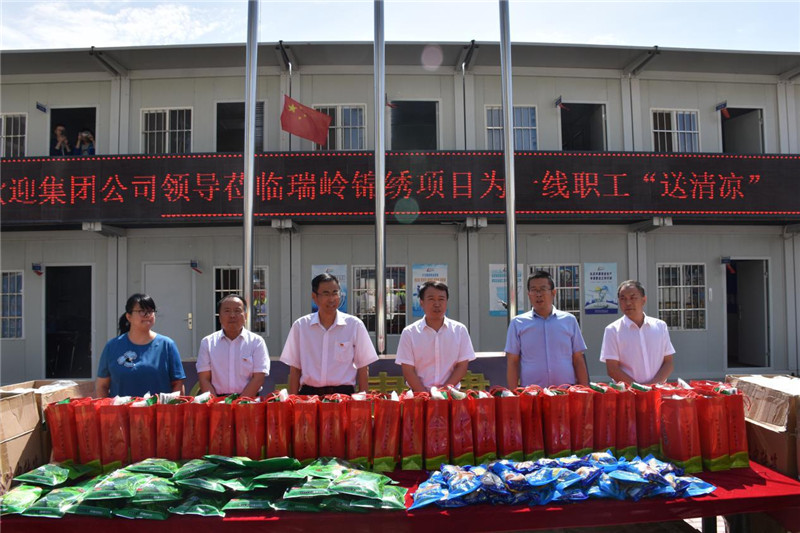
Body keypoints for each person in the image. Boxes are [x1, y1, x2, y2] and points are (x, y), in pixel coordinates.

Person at [280, 273, 378, 395]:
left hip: (343, 396)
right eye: (326, 294)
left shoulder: (354, 325)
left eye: (335, 293)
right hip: (309, 396)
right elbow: (295, 369)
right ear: (314, 297)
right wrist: (293, 400)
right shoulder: (301, 326)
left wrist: (362, 401)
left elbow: (363, 367)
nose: (331, 299)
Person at [505, 270, 589, 388]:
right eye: (534, 290)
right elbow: (513, 361)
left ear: (553, 292)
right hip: (532, 393)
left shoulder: (569, 320)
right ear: (528, 294)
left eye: (543, 289)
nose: (538, 294)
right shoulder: (517, 323)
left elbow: (578, 358)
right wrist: (514, 393)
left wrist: (585, 390)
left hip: (565, 391)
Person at [96, 293, 185, 397]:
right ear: (129, 316)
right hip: (122, 408)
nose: (147, 315)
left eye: (151, 311)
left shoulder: (167, 345)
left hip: (158, 407)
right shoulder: (112, 346)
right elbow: (102, 386)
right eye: (142, 311)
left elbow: (178, 384)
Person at [395, 280, 475, 392]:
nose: (437, 304)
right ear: (421, 302)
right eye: (431, 299)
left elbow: (462, 366)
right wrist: (425, 396)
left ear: (446, 302)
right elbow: (408, 370)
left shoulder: (460, 330)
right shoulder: (409, 333)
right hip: (418, 396)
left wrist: (443, 393)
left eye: (441, 299)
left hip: (450, 395)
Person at [600, 280, 675, 384]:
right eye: (623, 298)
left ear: (643, 300)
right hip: (628, 391)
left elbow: (668, 363)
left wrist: (652, 385)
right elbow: (612, 369)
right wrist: (639, 389)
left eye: (633, 298)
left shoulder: (660, 326)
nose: (628, 303)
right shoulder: (612, 330)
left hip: (657, 390)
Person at [196, 294, 269, 397]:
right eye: (227, 311)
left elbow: (258, 378)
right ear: (219, 317)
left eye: (237, 311)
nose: (232, 315)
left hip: (248, 401)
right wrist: (216, 403)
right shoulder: (207, 342)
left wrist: (240, 403)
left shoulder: (257, 342)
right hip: (217, 401)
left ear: (245, 316)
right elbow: (204, 379)